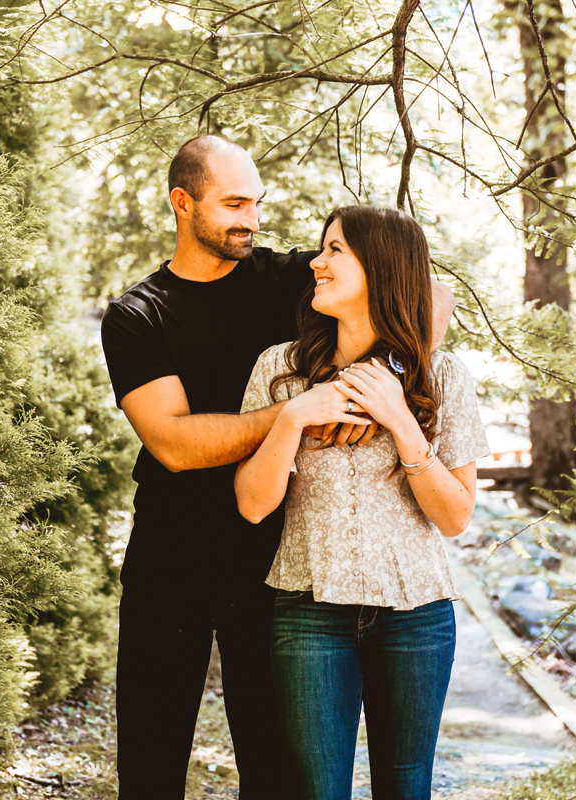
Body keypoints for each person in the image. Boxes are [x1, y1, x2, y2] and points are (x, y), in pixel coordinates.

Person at [99, 135, 454, 798]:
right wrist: (299, 412)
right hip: (169, 556)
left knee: (277, 769)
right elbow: (173, 444)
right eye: (234, 204)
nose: (251, 220)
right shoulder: (137, 316)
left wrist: (384, 382)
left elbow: (427, 294)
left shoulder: (288, 279)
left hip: (269, 555)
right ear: (183, 203)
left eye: (256, 203)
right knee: (151, 760)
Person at [234, 205, 490, 800]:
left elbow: (454, 516)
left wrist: (402, 421)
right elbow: (251, 504)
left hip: (417, 616)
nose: (317, 264)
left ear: (381, 268)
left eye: (334, 251)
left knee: (406, 788)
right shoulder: (280, 369)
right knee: (317, 791)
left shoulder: (441, 376)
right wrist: (294, 417)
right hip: (308, 612)